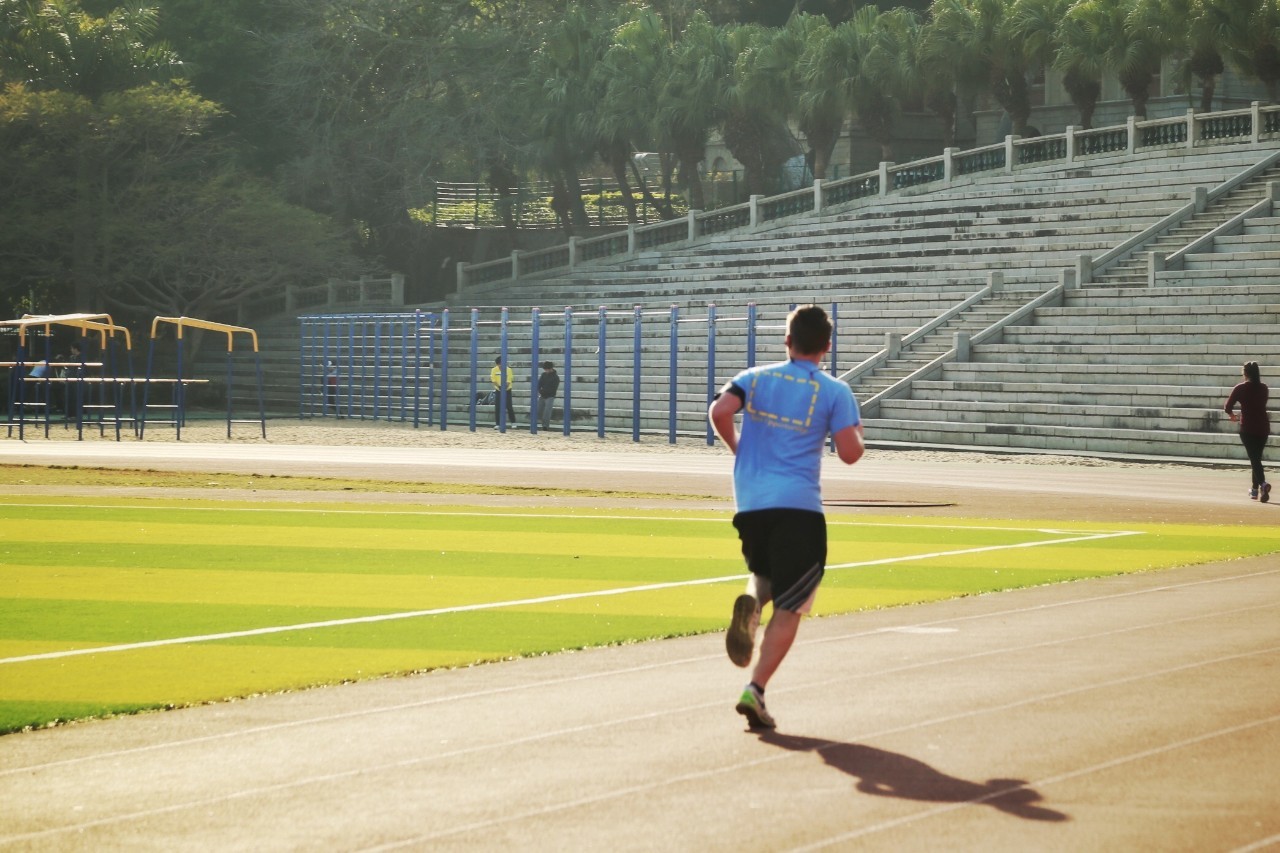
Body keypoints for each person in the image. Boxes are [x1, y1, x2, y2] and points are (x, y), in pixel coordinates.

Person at [708, 304, 865, 729]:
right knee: (793, 604)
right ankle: (755, 689)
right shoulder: (834, 391)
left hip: (751, 503)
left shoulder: (755, 378)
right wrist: (855, 433)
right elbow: (850, 454)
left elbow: (720, 412)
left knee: (767, 572)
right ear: (827, 347)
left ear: (787, 340)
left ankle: (751, 600)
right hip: (798, 505)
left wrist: (740, 449)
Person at [1224, 361, 1270, 502]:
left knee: (1254, 459)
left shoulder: (1241, 388)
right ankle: (1255, 491)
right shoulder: (1264, 388)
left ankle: (1263, 484)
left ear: (1245, 373)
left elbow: (1227, 407)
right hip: (1263, 427)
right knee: (1256, 458)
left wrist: (1232, 416)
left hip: (1248, 428)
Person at [489, 355, 516, 428]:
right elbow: (493, 380)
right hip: (498, 389)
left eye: (501, 364)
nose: (500, 366)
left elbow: (509, 381)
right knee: (497, 407)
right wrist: (499, 387)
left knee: (509, 406)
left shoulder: (508, 370)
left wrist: (504, 387)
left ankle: (513, 422)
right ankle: (498, 423)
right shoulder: (494, 370)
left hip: (507, 390)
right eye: (498, 365)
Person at [537, 360, 560, 431]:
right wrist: (539, 391)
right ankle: (540, 423)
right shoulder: (543, 375)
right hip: (543, 395)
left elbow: (553, 389)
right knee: (538, 410)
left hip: (550, 396)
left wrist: (541, 391)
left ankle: (545, 426)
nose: (546, 371)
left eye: (547, 369)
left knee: (547, 412)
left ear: (551, 369)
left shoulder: (556, 378)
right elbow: (539, 383)